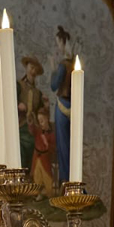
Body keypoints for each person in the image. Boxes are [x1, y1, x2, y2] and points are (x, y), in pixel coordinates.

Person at [50, 26, 73, 182]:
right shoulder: (73, 64)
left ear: (63, 42)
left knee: (63, 145)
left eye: (58, 43)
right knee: (70, 145)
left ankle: (65, 181)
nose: (57, 46)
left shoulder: (63, 65)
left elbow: (54, 86)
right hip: (73, 107)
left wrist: (53, 69)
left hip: (62, 106)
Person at [17, 55, 45, 173]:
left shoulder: (38, 93)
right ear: (27, 67)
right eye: (31, 67)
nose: (33, 70)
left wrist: (42, 110)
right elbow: (10, 100)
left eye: (35, 69)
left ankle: (29, 177)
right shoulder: (19, 85)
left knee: (36, 145)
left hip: (33, 126)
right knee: (22, 144)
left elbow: (40, 109)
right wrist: (18, 104)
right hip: (20, 123)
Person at [30, 107, 55, 192]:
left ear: (47, 119)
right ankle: (38, 193)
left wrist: (47, 144)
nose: (40, 123)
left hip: (45, 159)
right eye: (39, 121)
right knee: (37, 176)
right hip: (36, 157)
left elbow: (53, 149)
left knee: (47, 176)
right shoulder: (38, 131)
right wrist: (31, 123)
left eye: (42, 121)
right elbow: (32, 131)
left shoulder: (51, 134)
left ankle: (48, 193)